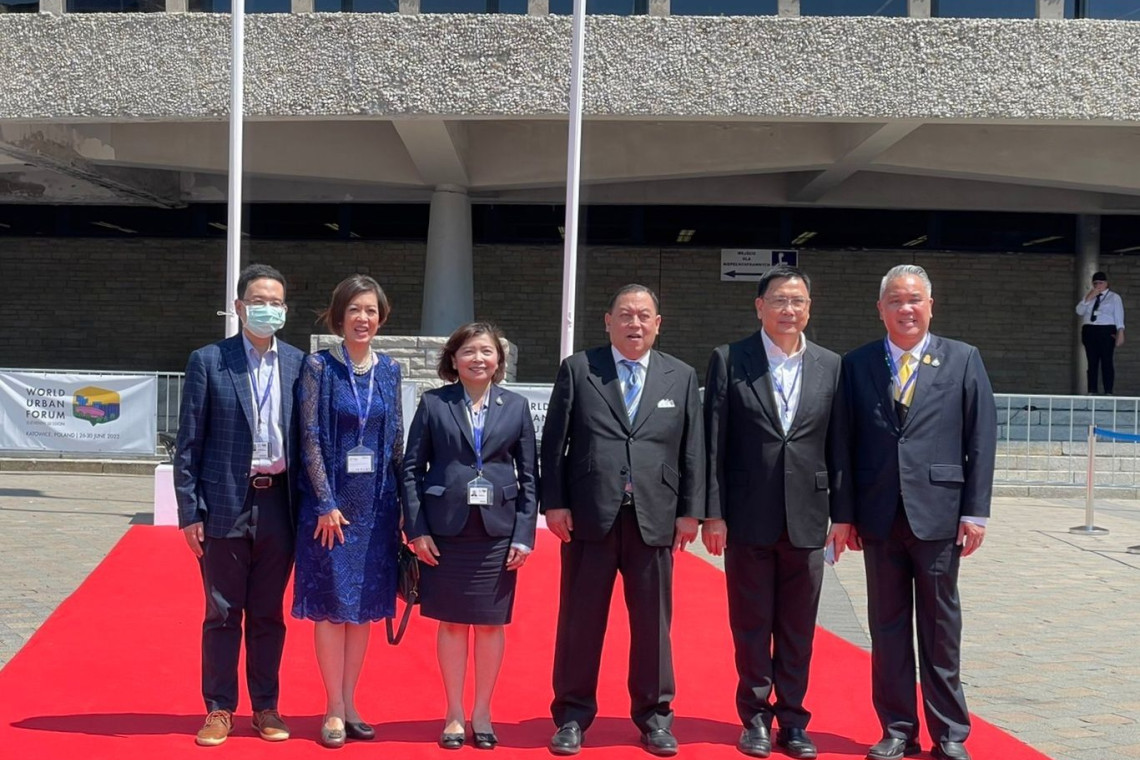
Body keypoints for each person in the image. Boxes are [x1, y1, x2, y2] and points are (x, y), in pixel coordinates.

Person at [541, 284, 705, 757]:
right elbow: (553, 442)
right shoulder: (580, 369)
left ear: (658, 323)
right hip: (590, 517)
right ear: (608, 321)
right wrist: (555, 503)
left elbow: (694, 448)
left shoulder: (680, 375)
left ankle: (655, 718)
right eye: (626, 315)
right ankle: (572, 716)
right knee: (580, 621)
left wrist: (691, 511)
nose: (635, 324)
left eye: (644, 315)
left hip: (656, 517)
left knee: (653, 626)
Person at [842, 265, 996, 760]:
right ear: (880, 309)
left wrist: (975, 512)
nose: (905, 309)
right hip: (879, 516)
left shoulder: (963, 359)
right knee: (887, 629)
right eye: (895, 300)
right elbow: (844, 442)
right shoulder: (858, 364)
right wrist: (845, 514)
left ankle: (950, 733)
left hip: (939, 514)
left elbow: (981, 438)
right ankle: (897, 729)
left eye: (914, 300)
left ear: (930, 306)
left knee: (940, 627)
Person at [701, 265, 852, 760]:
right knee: (750, 625)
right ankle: (754, 719)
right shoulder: (730, 359)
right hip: (747, 516)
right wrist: (713, 513)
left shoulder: (831, 365)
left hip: (808, 517)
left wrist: (843, 515)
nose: (789, 310)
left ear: (809, 308)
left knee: (798, 628)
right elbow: (714, 441)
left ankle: (793, 719)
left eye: (798, 301)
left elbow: (840, 445)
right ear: (759, 306)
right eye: (780, 300)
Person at [174, 263, 305, 746]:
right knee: (222, 612)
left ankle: (266, 706)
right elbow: (188, 442)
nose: (268, 309)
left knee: (268, 613)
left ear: (285, 310)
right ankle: (219, 707)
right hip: (225, 502)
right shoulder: (209, 361)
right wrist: (190, 512)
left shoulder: (299, 365)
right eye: (258, 301)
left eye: (276, 302)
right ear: (239, 307)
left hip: (280, 504)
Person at [402, 322, 539, 751]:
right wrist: (417, 529)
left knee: (491, 625)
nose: (478, 359)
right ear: (454, 359)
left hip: (497, 531)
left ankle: (482, 712)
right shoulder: (434, 403)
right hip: (446, 531)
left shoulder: (515, 406)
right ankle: (454, 713)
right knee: (452, 624)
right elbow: (411, 469)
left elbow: (530, 476)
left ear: (498, 360)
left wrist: (524, 535)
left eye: (486, 351)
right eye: (469, 351)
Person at [291, 274, 404, 748]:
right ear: (339, 316)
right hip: (331, 512)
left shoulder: (391, 370)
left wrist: (403, 504)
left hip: (376, 509)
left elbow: (395, 438)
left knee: (362, 613)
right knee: (332, 610)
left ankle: (352, 703)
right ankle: (332, 707)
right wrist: (325, 501)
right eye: (355, 309)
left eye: (371, 310)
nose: (363, 318)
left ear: (381, 318)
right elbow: (310, 436)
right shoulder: (319, 367)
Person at [1076, 271, 1125, 395]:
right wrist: (1088, 298)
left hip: (1106, 330)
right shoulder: (1089, 296)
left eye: (1101, 283)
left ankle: (1108, 390)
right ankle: (1092, 390)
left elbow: (1119, 315)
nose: (1098, 285)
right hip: (1090, 329)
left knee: (1106, 360)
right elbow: (1079, 311)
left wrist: (1120, 331)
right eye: (1095, 283)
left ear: (1106, 283)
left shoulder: (1114, 297)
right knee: (1092, 361)